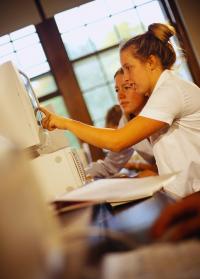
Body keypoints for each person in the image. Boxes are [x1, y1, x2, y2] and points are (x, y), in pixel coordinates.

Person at [39, 23, 200, 198]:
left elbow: (117, 141)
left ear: (151, 62)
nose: (128, 79)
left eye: (128, 68)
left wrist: (65, 122)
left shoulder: (170, 90)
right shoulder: (163, 91)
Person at [85, 68, 156, 179]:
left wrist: (154, 173)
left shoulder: (161, 109)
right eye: (117, 90)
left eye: (127, 87)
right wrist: (81, 175)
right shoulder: (125, 121)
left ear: (143, 86)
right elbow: (109, 166)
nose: (120, 96)